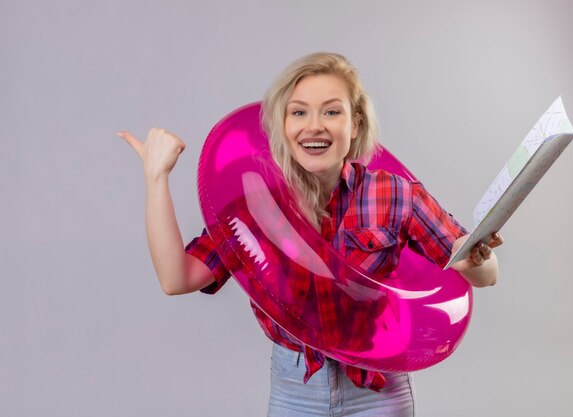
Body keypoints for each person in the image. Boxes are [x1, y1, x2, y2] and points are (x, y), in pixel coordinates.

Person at [118, 52, 503, 417]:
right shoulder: (257, 203)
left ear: (355, 125)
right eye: (298, 112)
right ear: (281, 126)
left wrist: (478, 261)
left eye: (331, 112)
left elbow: (485, 273)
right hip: (295, 387)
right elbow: (177, 278)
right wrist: (157, 178)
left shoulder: (394, 193)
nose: (314, 125)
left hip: (376, 391)